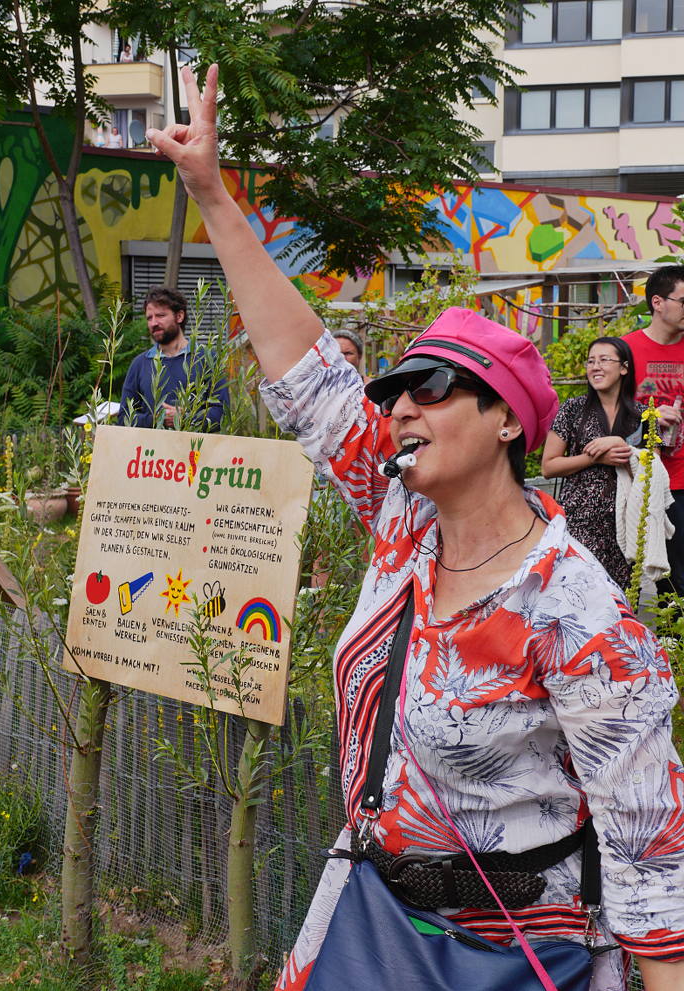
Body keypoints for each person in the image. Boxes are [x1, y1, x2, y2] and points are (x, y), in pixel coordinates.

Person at [147, 64, 684, 991]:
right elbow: (307, 370)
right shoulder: (404, 521)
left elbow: (650, 858)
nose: (400, 406)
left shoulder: (577, 609)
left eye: (432, 388)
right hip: (371, 918)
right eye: (394, 390)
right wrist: (212, 195)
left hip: (513, 954)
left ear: (511, 419)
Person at [541, 336, 643, 588]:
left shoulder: (641, 415)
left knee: (624, 602)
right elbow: (548, 466)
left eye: (604, 360)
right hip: (580, 523)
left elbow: (653, 469)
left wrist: (616, 441)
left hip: (627, 527)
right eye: (590, 361)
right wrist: (593, 457)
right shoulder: (573, 409)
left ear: (623, 368)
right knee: (578, 596)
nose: (595, 366)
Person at [626, 265, 684, 596]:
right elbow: (605, 413)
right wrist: (648, 414)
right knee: (666, 581)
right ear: (658, 303)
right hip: (649, 478)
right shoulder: (625, 351)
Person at [118, 286, 228, 430]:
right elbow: (123, 418)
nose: (153, 323)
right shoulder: (140, 364)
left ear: (179, 316)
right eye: (149, 318)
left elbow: (222, 413)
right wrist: (156, 420)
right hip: (150, 451)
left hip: (195, 451)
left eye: (160, 316)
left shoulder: (207, 359)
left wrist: (187, 418)